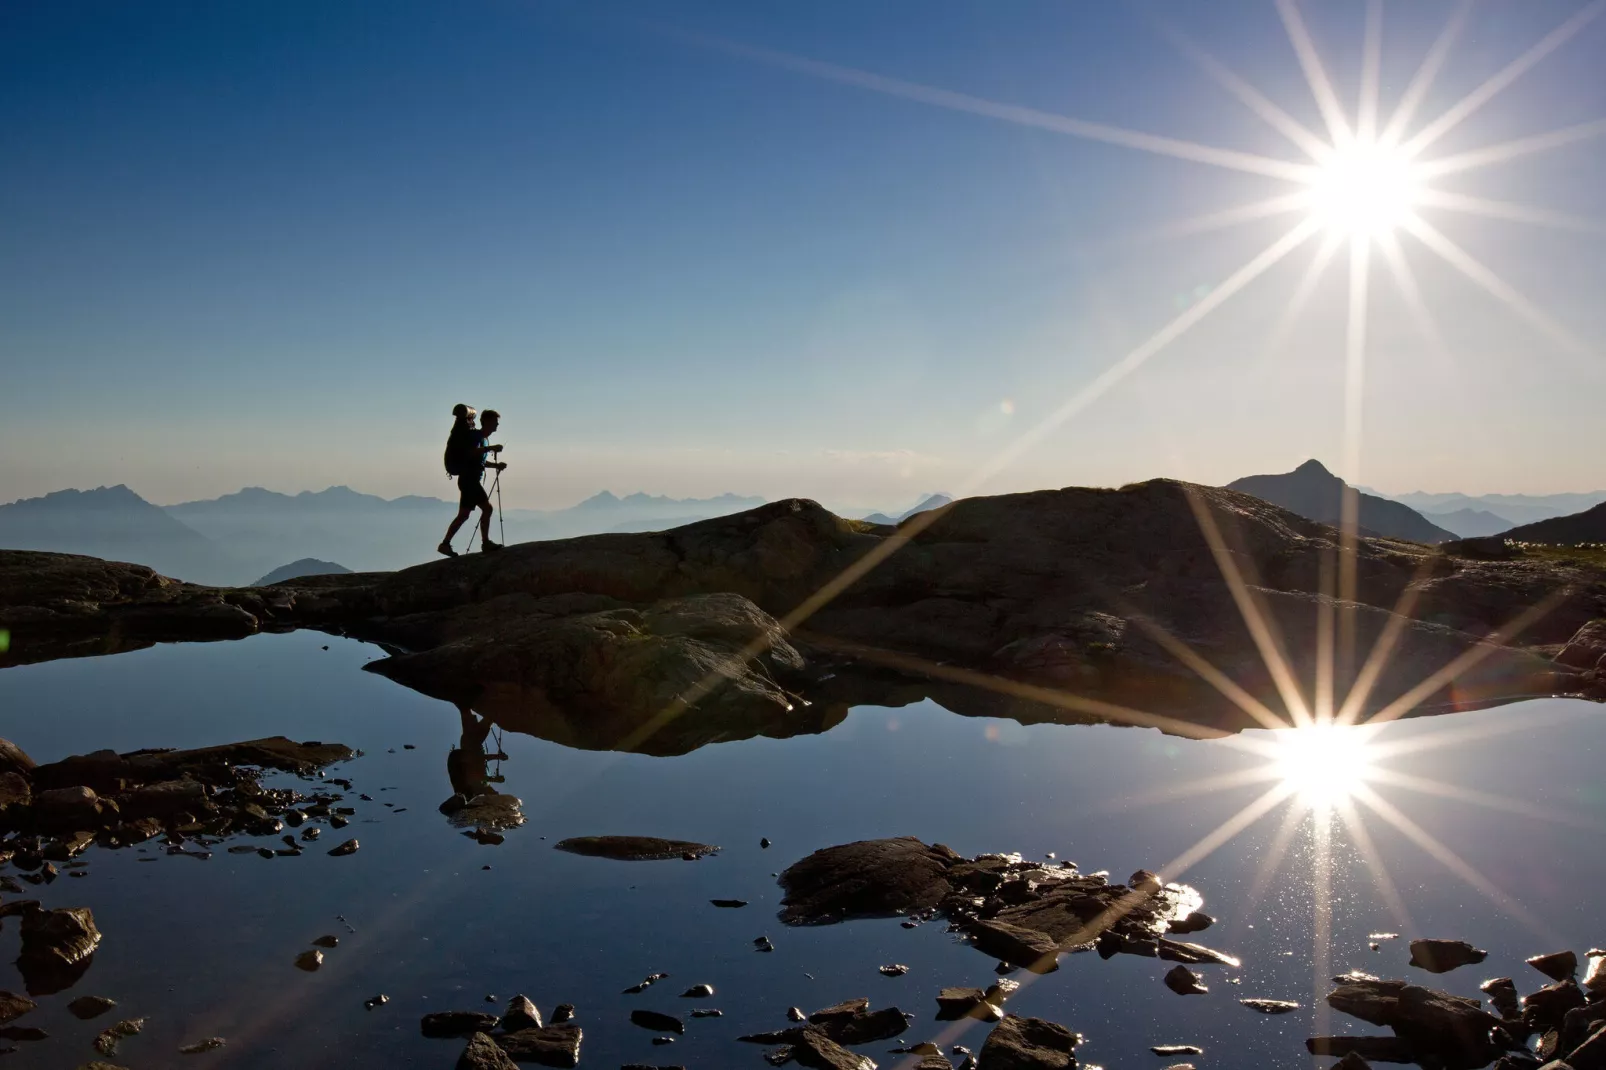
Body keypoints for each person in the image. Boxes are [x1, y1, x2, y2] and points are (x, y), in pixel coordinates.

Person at [438, 404, 507, 556]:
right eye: (495, 422)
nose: (497, 425)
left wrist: (496, 465)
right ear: (487, 422)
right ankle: (485, 543)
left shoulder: (483, 439)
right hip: (469, 480)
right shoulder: (476, 437)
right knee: (487, 509)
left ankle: (445, 544)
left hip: (468, 479)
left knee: (463, 515)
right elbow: (470, 453)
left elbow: (478, 460)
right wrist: (490, 449)